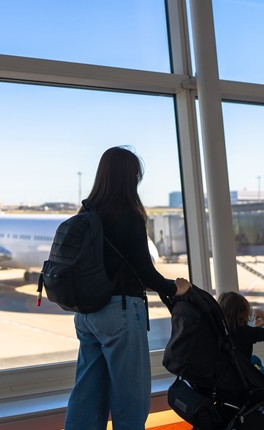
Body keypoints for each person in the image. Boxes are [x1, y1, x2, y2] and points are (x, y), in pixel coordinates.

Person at [64, 146, 191, 430]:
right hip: (120, 313)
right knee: (130, 400)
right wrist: (176, 287)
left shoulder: (87, 213)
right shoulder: (128, 215)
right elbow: (145, 273)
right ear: (130, 177)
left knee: (86, 395)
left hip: (87, 314)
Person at [218, 291, 264, 417]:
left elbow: (244, 338)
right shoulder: (246, 332)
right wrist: (263, 315)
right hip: (241, 381)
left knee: (255, 360)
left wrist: (256, 328)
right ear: (242, 312)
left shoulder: (222, 330)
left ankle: (261, 398)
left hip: (229, 375)